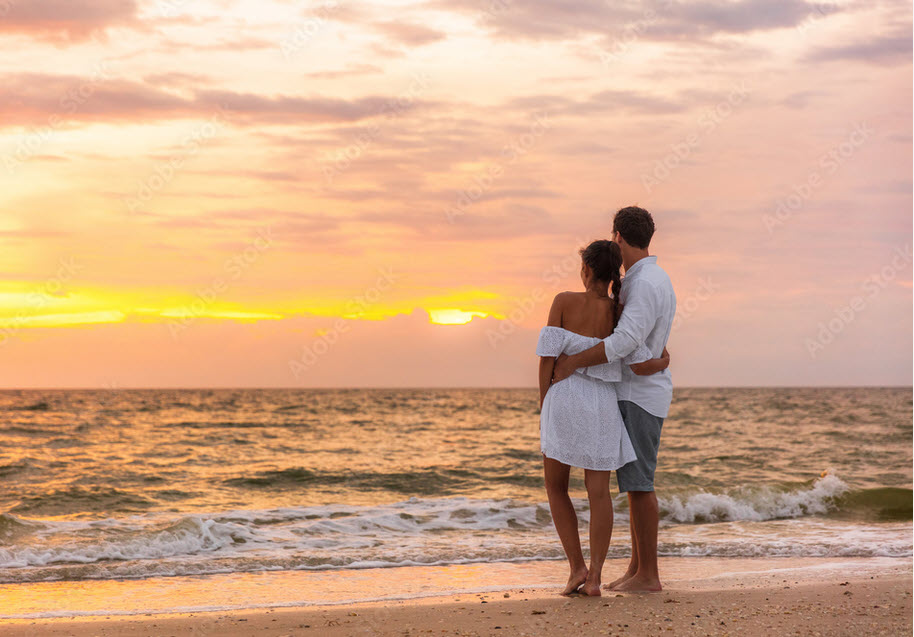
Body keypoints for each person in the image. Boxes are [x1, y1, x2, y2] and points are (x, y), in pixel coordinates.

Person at [552, 206, 676, 593]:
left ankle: (649, 575)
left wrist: (574, 362)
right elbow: (647, 335)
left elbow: (624, 341)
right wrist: (661, 359)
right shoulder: (651, 278)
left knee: (639, 486)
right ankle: (637, 568)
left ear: (618, 237)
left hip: (638, 397)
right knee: (634, 484)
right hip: (639, 391)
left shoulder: (644, 282)